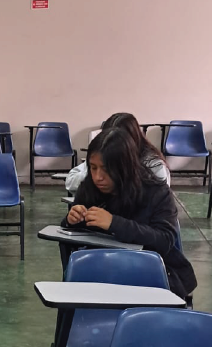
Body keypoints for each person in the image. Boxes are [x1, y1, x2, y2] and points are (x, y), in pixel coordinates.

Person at [64, 129, 197, 298]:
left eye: (106, 169)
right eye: (93, 167)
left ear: (125, 167)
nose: (98, 177)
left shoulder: (156, 192)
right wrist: (71, 220)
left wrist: (114, 223)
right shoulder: (89, 188)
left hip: (151, 273)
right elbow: (77, 232)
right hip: (104, 270)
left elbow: (164, 239)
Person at [65, 112, 169, 191]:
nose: (98, 176)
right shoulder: (102, 157)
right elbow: (70, 181)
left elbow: (160, 198)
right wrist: (92, 175)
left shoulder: (153, 164)